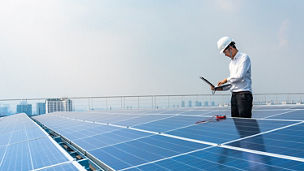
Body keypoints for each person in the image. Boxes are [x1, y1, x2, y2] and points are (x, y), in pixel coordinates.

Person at [213, 36, 253, 118]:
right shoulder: (231, 63)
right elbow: (233, 83)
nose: (225, 55)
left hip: (243, 96)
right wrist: (217, 88)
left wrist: (226, 79)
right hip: (234, 96)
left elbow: (240, 76)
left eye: (225, 52)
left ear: (230, 48)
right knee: (236, 123)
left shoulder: (244, 58)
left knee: (245, 124)